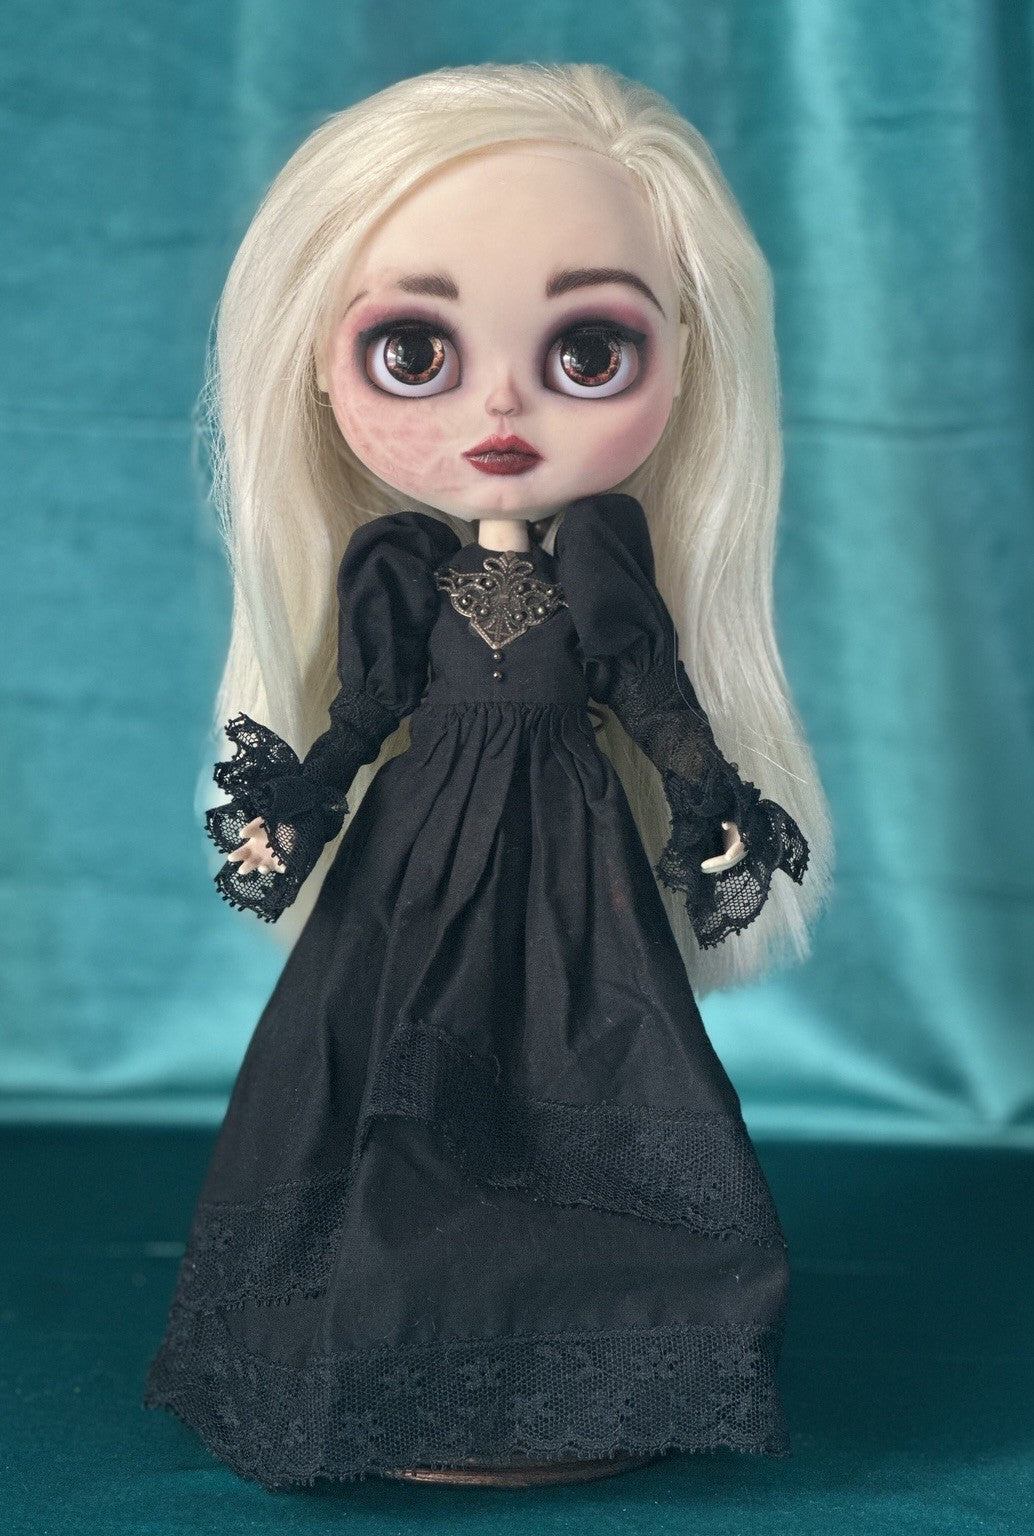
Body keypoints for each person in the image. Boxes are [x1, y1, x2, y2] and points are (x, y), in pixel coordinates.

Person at [143, 61, 833, 1489]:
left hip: (570, 854)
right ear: (315, 358)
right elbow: (361, 716)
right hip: (418, 855)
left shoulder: (601, 564)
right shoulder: (398, 570)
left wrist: (710, 806)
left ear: (684, 355)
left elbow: (652, 697)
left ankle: (590, 1350)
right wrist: (294, 815)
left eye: (590, 350)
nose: (503, 401)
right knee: (389, 1083)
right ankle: (395, 1347)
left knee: (592, 1063)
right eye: (414, 350)